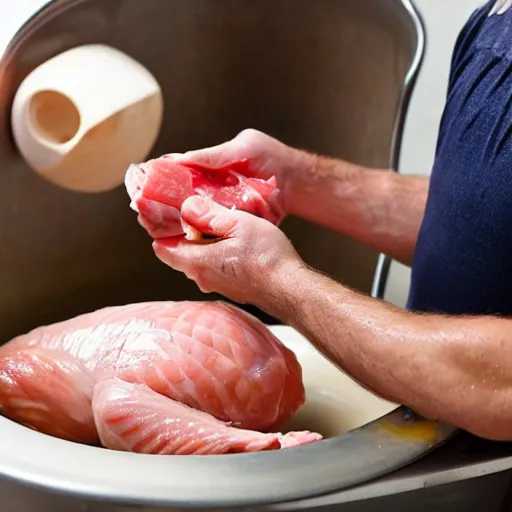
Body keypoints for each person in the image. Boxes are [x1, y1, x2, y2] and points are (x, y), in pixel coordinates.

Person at [153, 0, 512, 441]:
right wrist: (294, 180)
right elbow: (478, 220)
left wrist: (281, 283)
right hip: (430, 434)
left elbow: (504, 384)